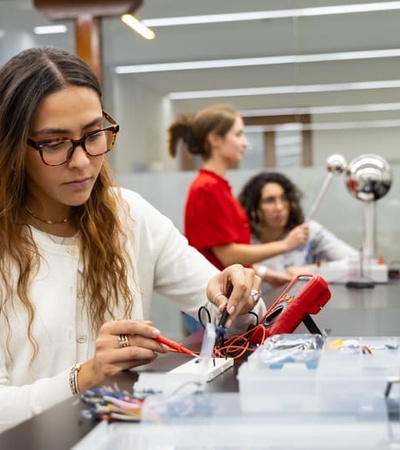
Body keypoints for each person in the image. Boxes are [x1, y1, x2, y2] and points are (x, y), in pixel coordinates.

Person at [0, 47, 266, 433]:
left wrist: (238, 292)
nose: (82, 161)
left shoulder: (129, 215)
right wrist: (85, 377)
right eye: (54, 143)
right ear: (11, 146)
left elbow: (234, 317)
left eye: (94, 135)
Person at [167, 104, 309, 332]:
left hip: (227, 303)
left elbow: (226, 253)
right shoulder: (207, 188)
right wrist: (286, 244)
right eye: (239, 134)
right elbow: (228, 254)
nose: (245, 143)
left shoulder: (218, 186)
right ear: (215, 139)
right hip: (216, 306)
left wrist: (265, 274)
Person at [238, 171, 359, 293]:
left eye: (284, 198)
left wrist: (312, 270)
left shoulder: (306, 231)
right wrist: (261, 271)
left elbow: (358, 263)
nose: (279, 207)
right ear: (253, 206)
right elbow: (226, 267)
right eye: (270, 200)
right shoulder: (243, 235)